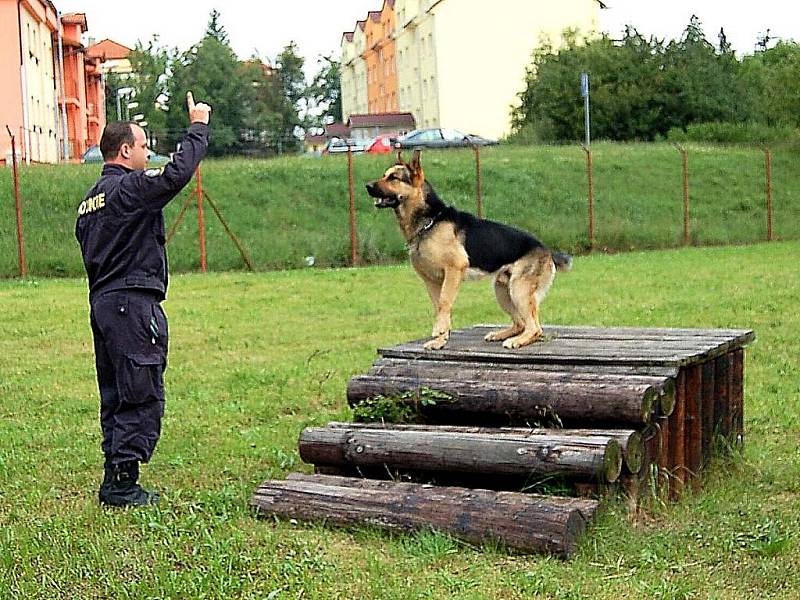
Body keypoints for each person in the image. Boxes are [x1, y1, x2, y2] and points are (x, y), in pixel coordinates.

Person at [75, 92, 212, 507]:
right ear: (124, 150)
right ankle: (122, 485)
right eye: (143, 145)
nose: (148, 152)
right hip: (131, 305)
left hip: (102, 305)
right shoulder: (129, 188)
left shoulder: (87, 203)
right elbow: (176, 174)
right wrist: (198, 127)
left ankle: (115, 475)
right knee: (140, 388)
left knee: (116, 391)